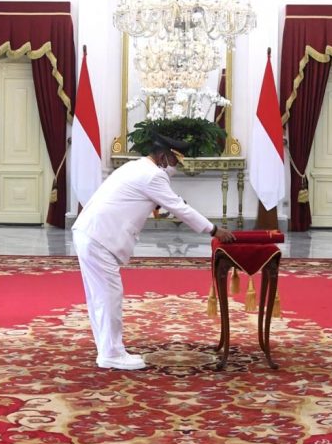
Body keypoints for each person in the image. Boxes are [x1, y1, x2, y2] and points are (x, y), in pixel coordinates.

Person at [72, 132, 235, 370]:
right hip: (99, 237)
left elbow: (164, 204)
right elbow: (179, 208)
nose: (175, 168)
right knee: (109, 297)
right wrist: (214, 230)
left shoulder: (136, 167)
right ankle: (111, 354)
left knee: (100, 297)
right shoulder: (153, 175)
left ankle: (107, 350)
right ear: (162, 157)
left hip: (90, 233)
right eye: (174, 161)